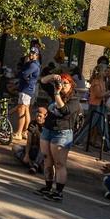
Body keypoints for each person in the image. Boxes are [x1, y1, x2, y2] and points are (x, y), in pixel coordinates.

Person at [34, 73, 82, 203]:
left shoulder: (74, 100)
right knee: (47, 160)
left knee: (59, 163)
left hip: (62, 134)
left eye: (66, 83)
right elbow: (42, 82)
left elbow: (64, 110)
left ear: (71, 85)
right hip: (48, 130)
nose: (63, 85)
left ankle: (58, 192)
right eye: (62, 83)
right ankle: (48, 187)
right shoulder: (56, 91)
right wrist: (53, 77)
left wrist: (57, 94)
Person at [13, 46, 40, 141]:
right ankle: (25, 132)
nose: (31, 54)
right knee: (26, 110)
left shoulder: (33, 65)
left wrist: (24, 67)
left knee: (21, 110)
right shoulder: (35, 64)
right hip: (28, 90)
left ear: (37, 55)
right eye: (30, 53)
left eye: (33, 53)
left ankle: (19, 133)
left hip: (26, 90)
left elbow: (23, 74)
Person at [14, 105, 48, 173]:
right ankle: (30, 163)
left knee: (43, 147)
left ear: (45, 116)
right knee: (15, 147)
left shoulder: (47, 126)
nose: (38, 118)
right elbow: (29, 142)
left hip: (42, 151)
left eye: (40, 116)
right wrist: (26, 155)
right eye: (37, 116)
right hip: (33, 149)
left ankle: (36, 165)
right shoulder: (33, 123)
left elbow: (45, 143)